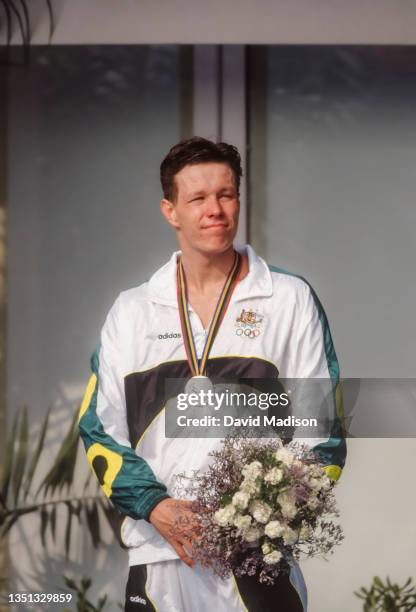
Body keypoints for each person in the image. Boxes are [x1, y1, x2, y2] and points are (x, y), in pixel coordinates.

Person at [78, 137, 346, 611]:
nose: (215, 210)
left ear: (239, 201)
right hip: (159, 556)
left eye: (226, 194)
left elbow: (321, 431)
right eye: (197, 198)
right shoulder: (132, 310)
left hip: (257, 560)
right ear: (170, 210)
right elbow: (100, 431)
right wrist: (155, 507)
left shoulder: (288, 299)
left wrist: (256, 516)